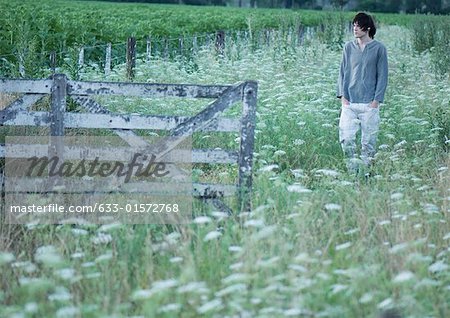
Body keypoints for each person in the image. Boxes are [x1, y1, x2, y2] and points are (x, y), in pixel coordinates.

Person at [337, 12, 388, 175]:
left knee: (369, 143)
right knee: (346, 139)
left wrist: (376, 101)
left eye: (358, 25)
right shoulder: (348, 47)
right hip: (349, 103)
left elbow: (383, 76)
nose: (355, 28)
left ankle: (366, 173)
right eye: (353, 25)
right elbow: (342, 72)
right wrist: (343, 97)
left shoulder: (379, 49)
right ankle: (352, 172)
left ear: (367, 27)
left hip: (369, 104)